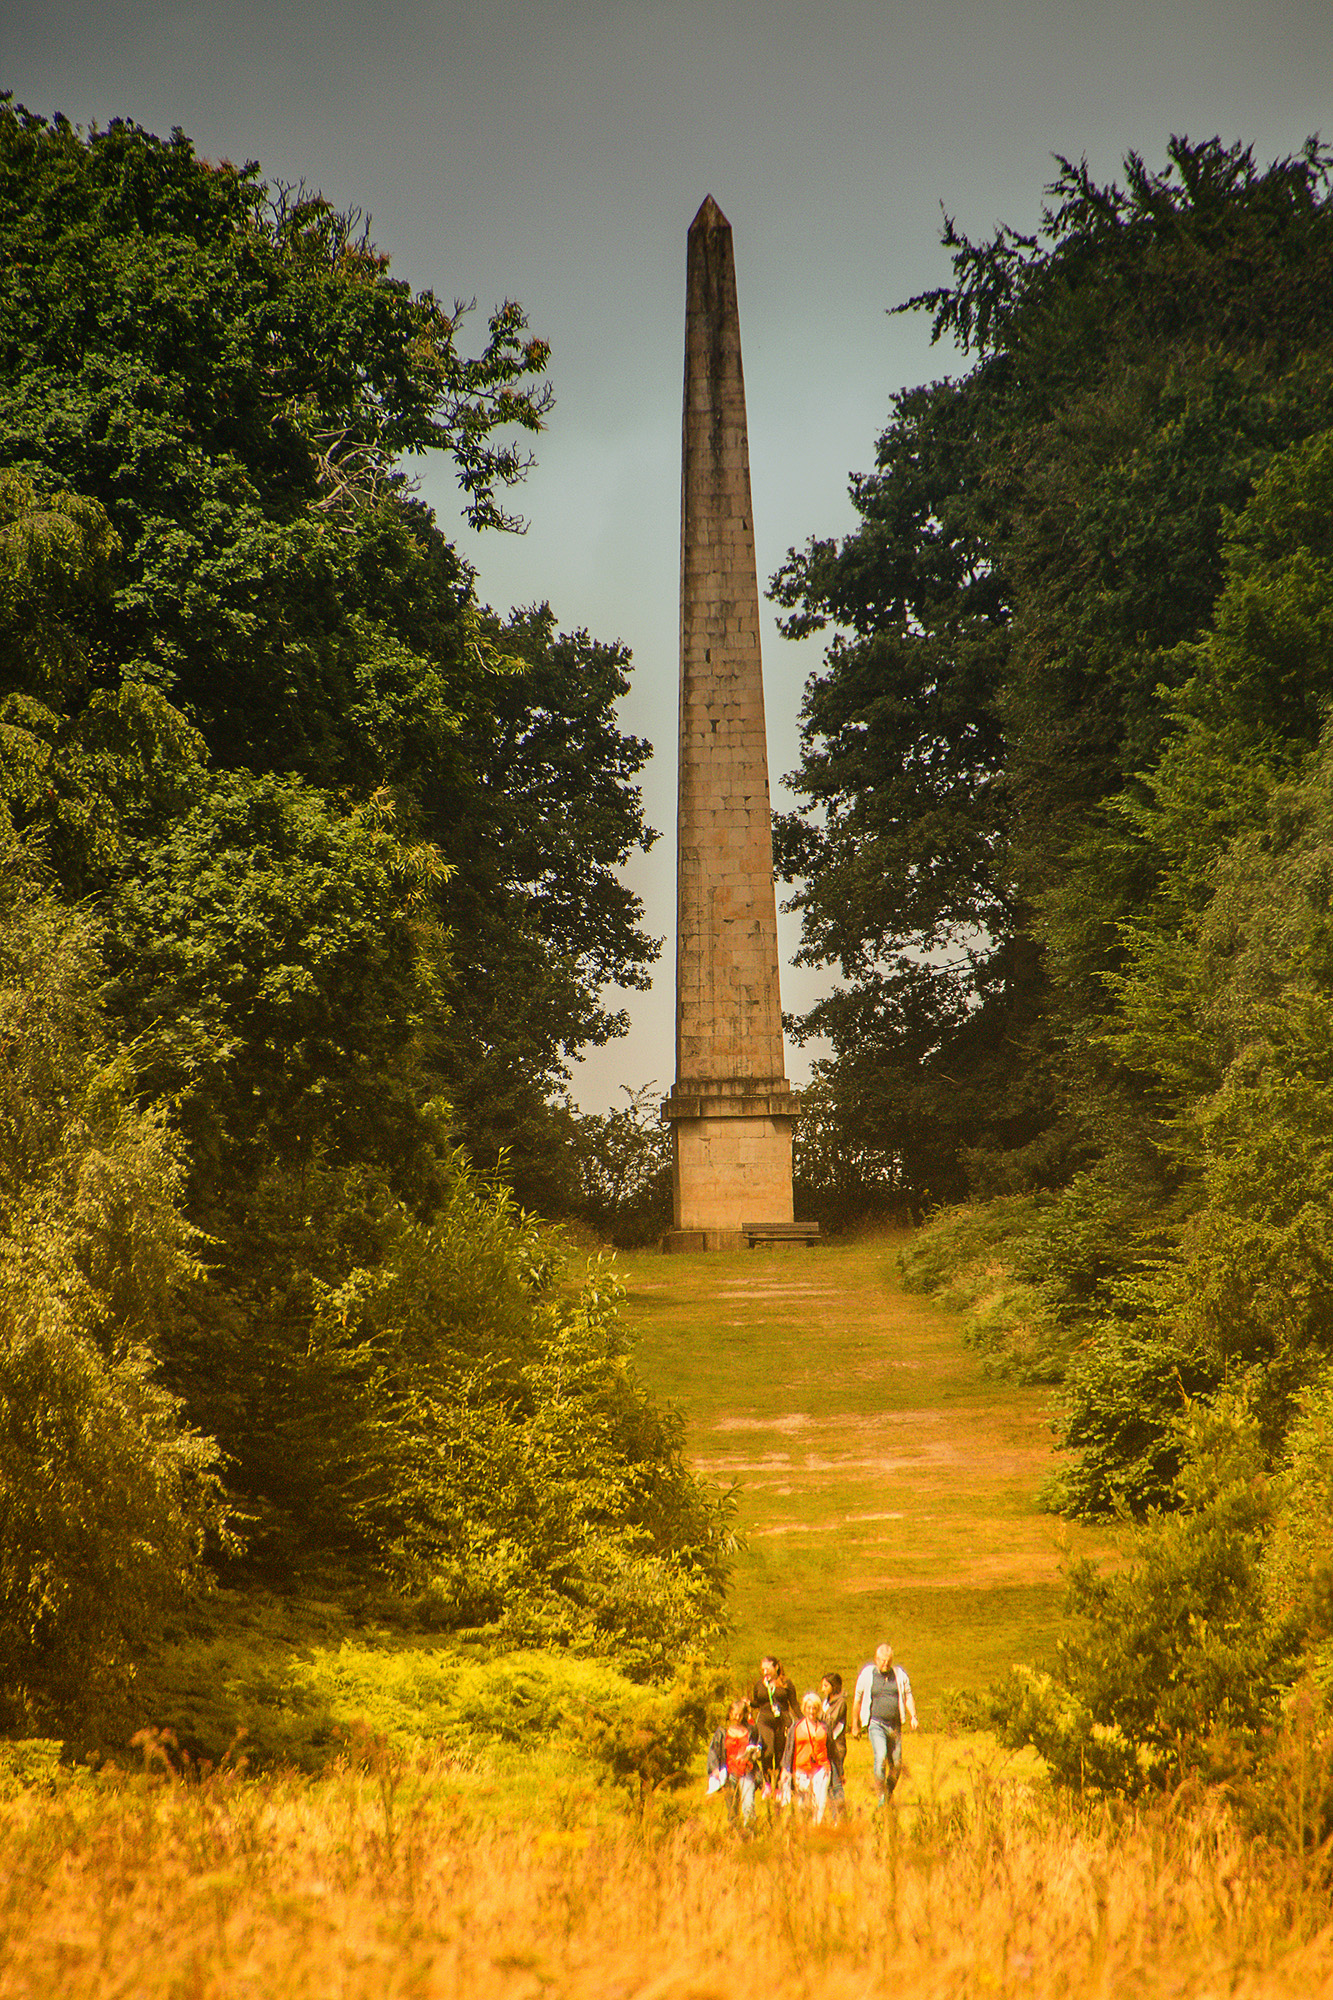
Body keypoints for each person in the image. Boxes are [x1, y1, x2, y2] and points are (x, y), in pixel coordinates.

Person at [851, 1643, 918, 1805]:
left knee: (896, 1764)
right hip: (876, 1724)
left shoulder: (899, 1675)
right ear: (876, 1659)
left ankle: (888, 1792)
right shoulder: (867, 1674)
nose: (885, 1664)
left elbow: (908, 1696)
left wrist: (913, 1716)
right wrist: (855, 1724)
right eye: (882, 1661)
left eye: (888, 1661)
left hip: (895, 1725)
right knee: (880, 1757)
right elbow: (857, 1700)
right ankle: (881, 1793)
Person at [706, 1699, 763, 1827]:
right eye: (734, 1714)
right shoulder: (722, 1732)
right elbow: (714, 1751)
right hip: (729, 1773)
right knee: (732, 1808)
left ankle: (750, 1832)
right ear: (730, 1714)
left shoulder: (751, 1730)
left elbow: (759, 1747)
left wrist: (756, 1751)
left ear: (743, 1715)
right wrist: (714, 1769)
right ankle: (736, 1834)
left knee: (748, 1804)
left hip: (746, 1771)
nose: (737, 1717)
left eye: (740, 1715)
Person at [780, 1692, 835, 1823]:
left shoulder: (825, 1727)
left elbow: (832, 1751)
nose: (811, 1711)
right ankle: (803, 1829)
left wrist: (840, 1772)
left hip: (821, 1768)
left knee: (819, 1803)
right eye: (809, 1708)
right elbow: (789, 1749)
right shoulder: (796, 1727)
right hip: (801, 1769)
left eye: (814, 1708)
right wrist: (785, 1769)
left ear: (818, 1709)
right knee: (802, 1804)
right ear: (804, 1708)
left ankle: (816, 1829)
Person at [750, 1655, 798, 1789]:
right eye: (763, 1669)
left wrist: (802, 1720)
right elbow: (758, 1702)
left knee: (780, 1753)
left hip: (782, 1721)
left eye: (768, 1669)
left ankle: (778, 1785)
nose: (765, 1672)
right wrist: (748, 1703)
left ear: (776, 1667)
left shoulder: (786, 1683)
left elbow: (794, 1704)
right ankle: (767, 1782)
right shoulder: (760, 1684)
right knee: (767, 1751)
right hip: (765, 1720)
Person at [821, 1671, 847, 1819]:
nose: (822, 1688)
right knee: (829, 1783)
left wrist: (818, 1713)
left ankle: (840, 1815)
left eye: (826, 1685)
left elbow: (831, 1722)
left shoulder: (840, 1702)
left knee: (836, 1782)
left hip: (836, 1747)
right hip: (826, 1745)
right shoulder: (826, 1701)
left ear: (834, 1686)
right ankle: (834, 1816)